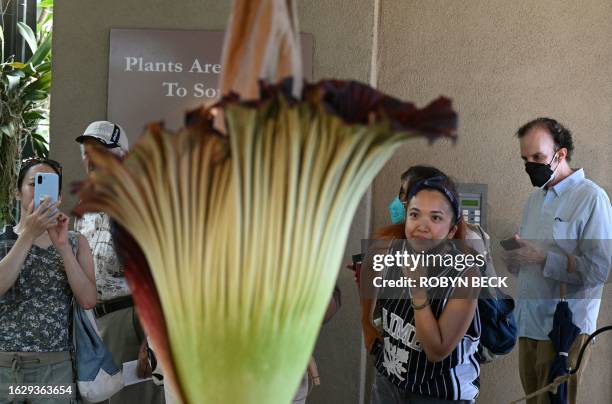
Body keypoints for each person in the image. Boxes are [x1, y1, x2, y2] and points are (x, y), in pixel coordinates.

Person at [506, 117, 612, 404]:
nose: (531, 165)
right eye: (525, 159)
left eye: (538, 157)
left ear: (561, 154)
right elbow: (533, 261)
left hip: (564, 331)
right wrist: (517, 261)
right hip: (528, 326)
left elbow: (599, 270)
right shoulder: (534, 201)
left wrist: (542, 258)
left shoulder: (592, 198)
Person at [362, 169, 481, 403]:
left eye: (435, 218)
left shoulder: (466, 274)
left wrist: (417, 288)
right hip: (391, 379)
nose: (422, 226)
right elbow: (369, 270)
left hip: (437, 392)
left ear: (452, 230)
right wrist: (365, 323)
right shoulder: (391, 249)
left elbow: (436, 351)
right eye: (415, 214)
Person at [74, 121, 165, 404]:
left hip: (130, 322)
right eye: (88, 151)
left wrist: (152, 340)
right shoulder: (83, 210)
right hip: (91, 325)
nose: (92, 157)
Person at [0, 158, 97, 404]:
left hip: (55, 370)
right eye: (33, 184)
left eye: (48, 187)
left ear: (59, 198)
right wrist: (29, 235)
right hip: (3, 369)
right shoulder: (2, 240)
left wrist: (63, 247)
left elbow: (88, 300)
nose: (40, 192)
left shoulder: (76, 242)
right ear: (17, 193)